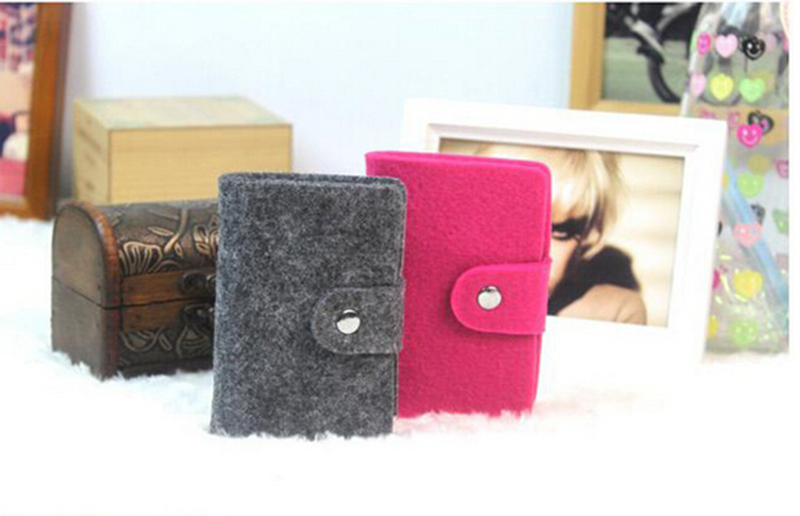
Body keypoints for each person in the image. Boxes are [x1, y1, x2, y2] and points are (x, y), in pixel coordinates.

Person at [473, 144, 647, 325]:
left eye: (561, 230)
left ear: (588, 233)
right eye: (507, 223)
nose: (536, 250)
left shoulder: (614, 311)